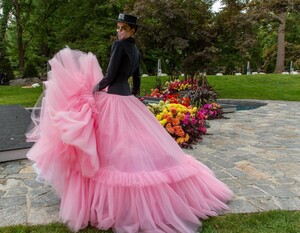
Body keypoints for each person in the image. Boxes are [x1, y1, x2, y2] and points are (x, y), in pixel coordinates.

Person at [26, 13, 232, 233]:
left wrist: (92, 89)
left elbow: (111, 76)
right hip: (127, 100)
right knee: (130, 146)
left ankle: (111, 205)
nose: (119, 32)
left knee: (112, 150)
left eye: (124, 28)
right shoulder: (135, 50)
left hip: (114, 99)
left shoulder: (119, 46)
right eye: (118, 27)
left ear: (134, 30)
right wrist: (132, 96)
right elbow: (137, 79)